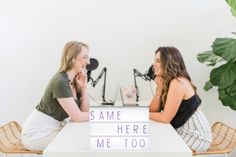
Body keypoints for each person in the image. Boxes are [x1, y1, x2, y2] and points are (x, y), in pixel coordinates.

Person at [21, 41, 90, 150]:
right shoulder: (60, 82)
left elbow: (84, 112)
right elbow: (78, 117)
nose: (88, 62)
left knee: (79, 140)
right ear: (72, 58)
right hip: (37, 133)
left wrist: (84, 88)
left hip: (53, 128)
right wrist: (101, 116)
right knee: (77, 144)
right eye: (85, 57)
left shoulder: (74, 81)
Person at [149, 46, 212, 152]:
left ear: (169, 63)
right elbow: (153, 111)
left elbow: (165, 118)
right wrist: (159, 88)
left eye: (158, 61)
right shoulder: (168, 81)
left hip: (196, 135)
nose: (153, 64)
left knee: (160, 149)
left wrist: (141, 114)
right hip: (183, 130)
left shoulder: (178, 82)